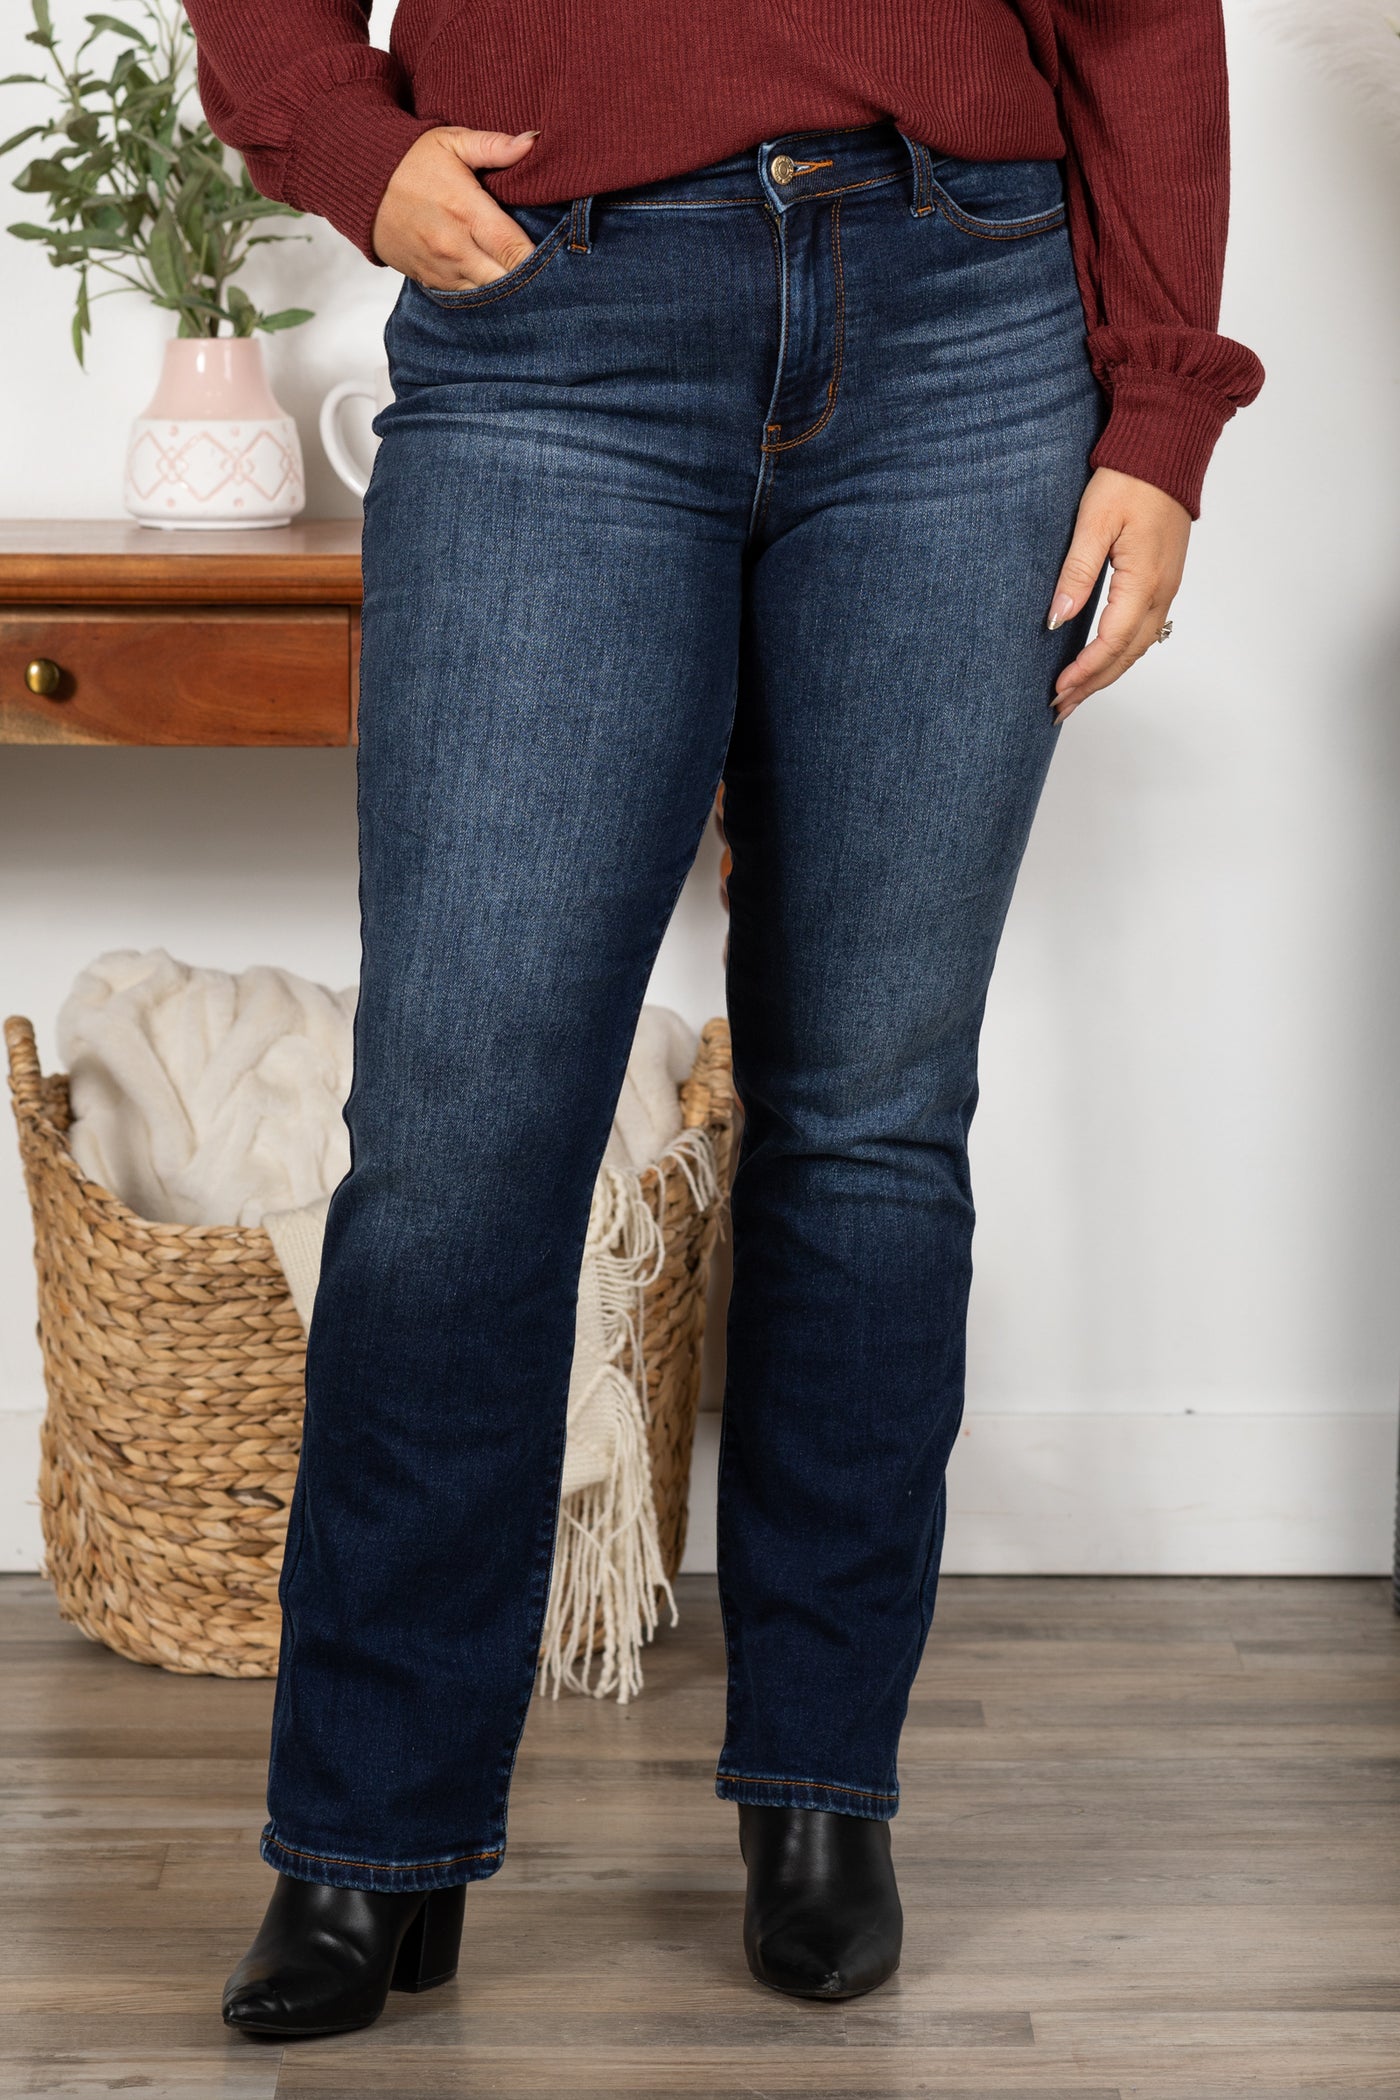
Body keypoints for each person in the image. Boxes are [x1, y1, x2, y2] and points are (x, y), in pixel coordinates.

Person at [179, 0, 1263, 2040]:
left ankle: (822, 1792)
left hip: (969, 320)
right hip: (549, 318)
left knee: (867, 1121)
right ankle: (365, 1836)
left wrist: (1159, 412)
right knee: (459, 1138)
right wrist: (336, 132)